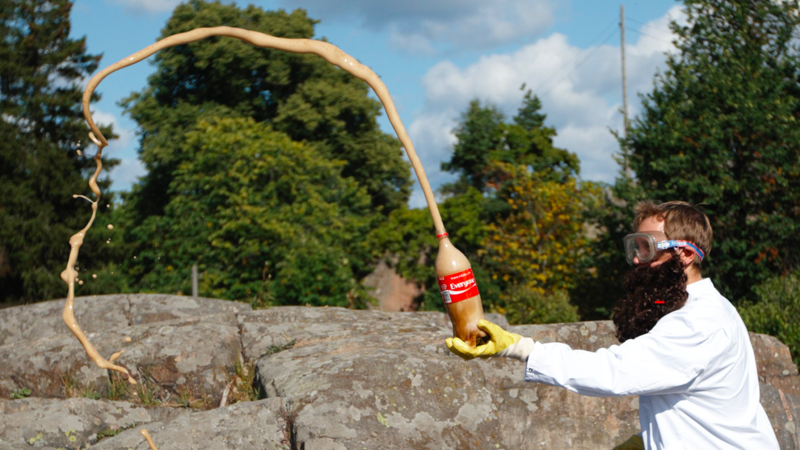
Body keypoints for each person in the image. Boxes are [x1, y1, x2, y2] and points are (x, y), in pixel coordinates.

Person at [446, 201, 779, 450]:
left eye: (646, 247)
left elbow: (615, 371)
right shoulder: (702, 308)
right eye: (634, 246)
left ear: (685, 255)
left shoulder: (698, 322)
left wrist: (518, 348)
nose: (636, 259)